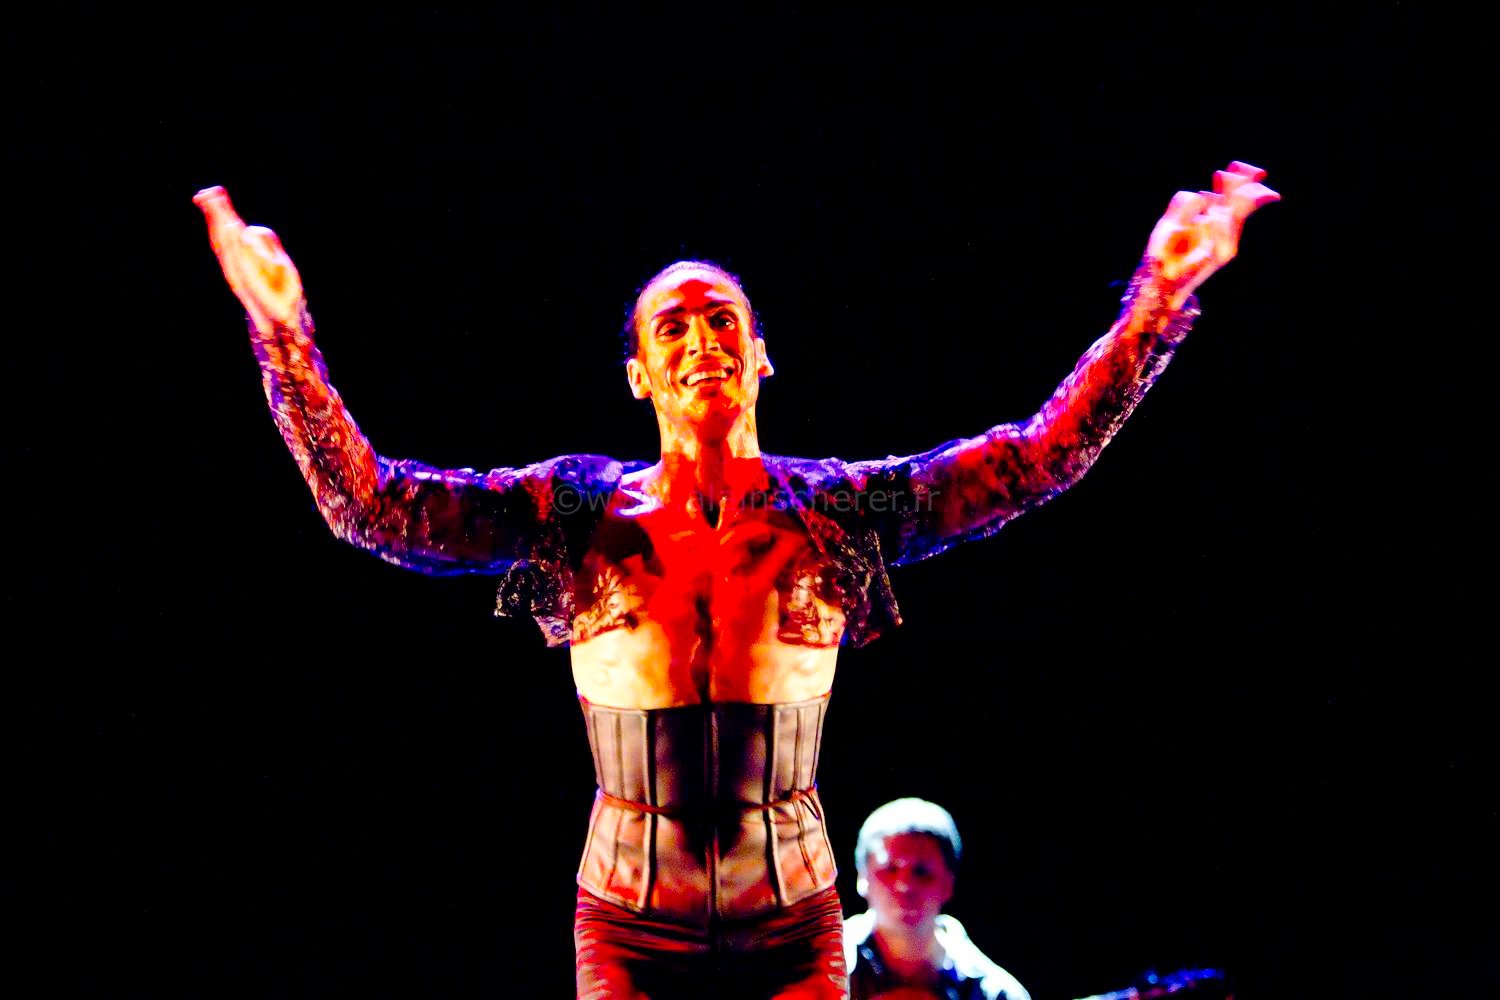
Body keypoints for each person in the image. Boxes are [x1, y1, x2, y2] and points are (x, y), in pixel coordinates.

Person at [195, 161, 1277, 999]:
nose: (702, 340)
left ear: (761, 357)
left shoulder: (835, 510)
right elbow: (373, 507)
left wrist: (1159, 299)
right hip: (628, 926)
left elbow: (1034, 460)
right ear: (639, 374)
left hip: (792, 925)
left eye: (724, 321)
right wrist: (282, 334)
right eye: (672, 326)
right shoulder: (575, 512)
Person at [844, 799, 1029, 1000]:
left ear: (948, 883)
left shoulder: (996, 994)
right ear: (862, 876)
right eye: (890, 868)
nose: (905, 885)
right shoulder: (823, 968)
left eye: (921, 871)